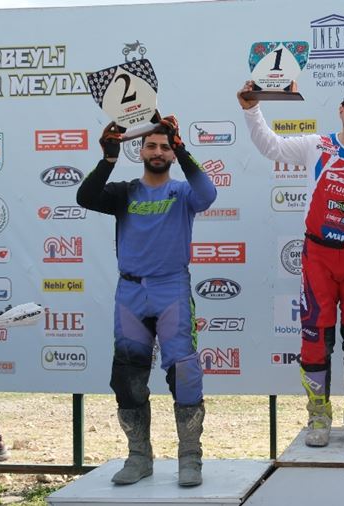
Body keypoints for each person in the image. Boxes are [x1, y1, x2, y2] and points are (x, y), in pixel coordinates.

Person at [237, 82, 344, 448]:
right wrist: (252, 110)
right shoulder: (318, 145)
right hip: (318, 257)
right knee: (314, 336)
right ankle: (318, 413)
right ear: (341, 111)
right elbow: (271, 146)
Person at [76, 116, 216, 487]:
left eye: (165, 147)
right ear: (139, 151)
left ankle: (190, 457)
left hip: (172, 290)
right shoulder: (124, 192)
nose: (158, 152)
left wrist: (183, 148)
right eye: (151, 146)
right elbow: (85, 197)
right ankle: (139, 456)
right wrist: (108, 157)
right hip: (131, 293)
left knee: (185, 375)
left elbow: (208, 194)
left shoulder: (183, 193)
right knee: (127, 378)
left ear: (173, 153)